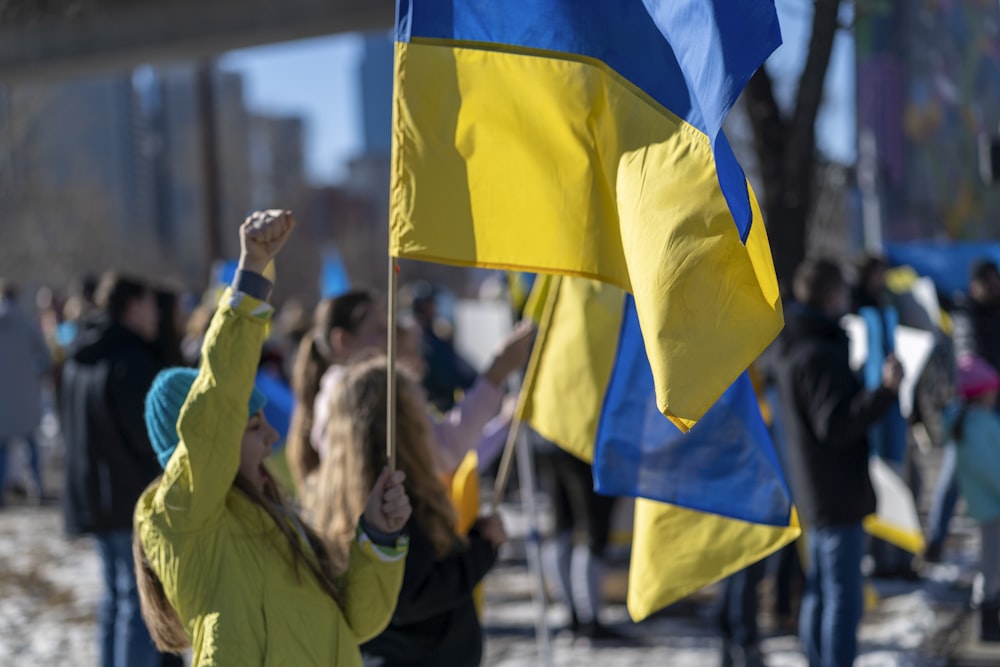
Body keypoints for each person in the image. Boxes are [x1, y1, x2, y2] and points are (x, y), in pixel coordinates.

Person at [133, 210, 411, 666]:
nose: (274, 435)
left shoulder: (275, 513)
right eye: (255, 425)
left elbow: (355, 622)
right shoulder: (180, 515)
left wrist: (378, 538)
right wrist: (249, 280)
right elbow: (220, 403)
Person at [304, 355, 506, 667]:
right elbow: (413, 597)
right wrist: (482, 546)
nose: (429, 418)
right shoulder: (395, 499)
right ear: (402, 424)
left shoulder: (340, 493)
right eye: (420, 408)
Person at [773, 258, 903, 667]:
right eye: (843, 293)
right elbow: (836, 424)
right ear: (831, 296)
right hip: (834, 492)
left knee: (819, 591)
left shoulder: (796, 344)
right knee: (843, 601)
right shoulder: (818, 352)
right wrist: (885, 391)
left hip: (814, 489)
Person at [59, 271, 166, 667]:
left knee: (116, 599)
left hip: (92, 494)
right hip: (127, 497)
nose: (157, 314)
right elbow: (145, 436)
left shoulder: (79, 354)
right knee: (139, 605)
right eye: (152, 304)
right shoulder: (129, 359)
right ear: (133, 306)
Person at [926, 258, 1000, 561]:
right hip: (971, 404)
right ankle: (935, 540)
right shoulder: (965, 314)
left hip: (992, 400)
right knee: (953, 475)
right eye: (989, 283)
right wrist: (983, 387)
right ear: (975, 286)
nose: (994, 288)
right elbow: (968, 360)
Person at [286, 289, 387, 492]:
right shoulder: (343, 392)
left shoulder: (336, 390)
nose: (390, 340)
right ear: (343, 340)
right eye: (379, 331)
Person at [950, 355, 1000, 641]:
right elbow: (991, 468)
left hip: (986, 504)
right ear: (981, 392)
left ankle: (989, 614)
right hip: (991, 505)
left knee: (990, 562)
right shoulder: (978, 425)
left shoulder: (968, 422)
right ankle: (988, 621)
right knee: (991, 564)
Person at [0, 279, 52, 505]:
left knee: (2, 448)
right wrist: (34, 374)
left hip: (2, 396)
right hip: (25, 393)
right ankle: (38, 489)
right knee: (31, 444)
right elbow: (45, 356)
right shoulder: (26, 322)